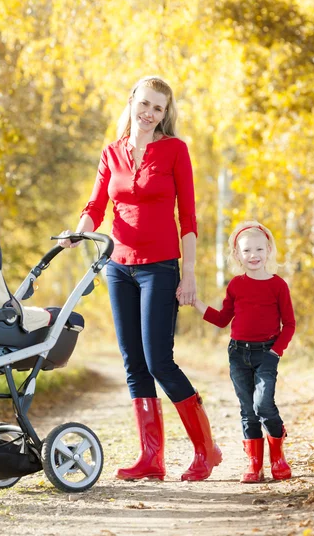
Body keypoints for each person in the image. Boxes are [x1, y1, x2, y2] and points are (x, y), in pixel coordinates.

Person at [59, 76, 221, 482]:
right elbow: (95, 205)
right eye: (145, 104)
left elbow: (189, 218)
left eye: (158, 108)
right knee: (134, 363)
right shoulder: (111, 152)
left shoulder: (174, 151)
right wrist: (77, 233)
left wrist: (190, 275)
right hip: (119, 266)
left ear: (166, 114)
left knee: (158, 360)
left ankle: (206, 450)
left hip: (161, 267)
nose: (149, 114)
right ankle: (152, 457)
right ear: (131, 102)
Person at [192, 220, 295, 483]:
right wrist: (197, 304)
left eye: (259, 250)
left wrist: (276, 352)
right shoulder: (236, 285)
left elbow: (290, 324)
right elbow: (222, 319)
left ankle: (278, 455)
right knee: (248, 409)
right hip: (238, 354)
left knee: (264, 405)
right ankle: (254, 463)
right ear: (237, 254)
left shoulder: (278, 285)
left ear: (269, 250)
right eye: (247, 250)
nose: (253, 256)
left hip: (267, 354)